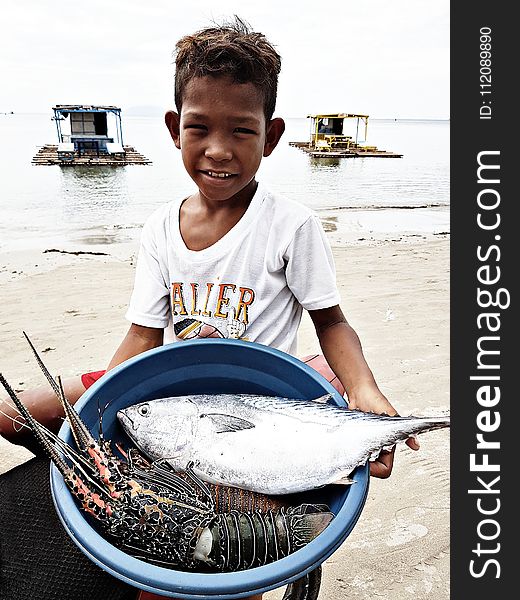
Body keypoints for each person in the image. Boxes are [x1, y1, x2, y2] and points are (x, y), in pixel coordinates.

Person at [0, 16, 419, 600]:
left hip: (259, 409)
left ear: (271, 137)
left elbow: (332, 323)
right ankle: (66, 471)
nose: (218, 149)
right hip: (168, 387)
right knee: (12, 412)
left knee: (220, 548)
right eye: (200, 128)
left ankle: (259, 551)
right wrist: (96, 413)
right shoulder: (158, 229)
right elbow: (143, 340)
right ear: (175, 129)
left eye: (241, 132)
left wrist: (366, 392)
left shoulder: (290, 225)